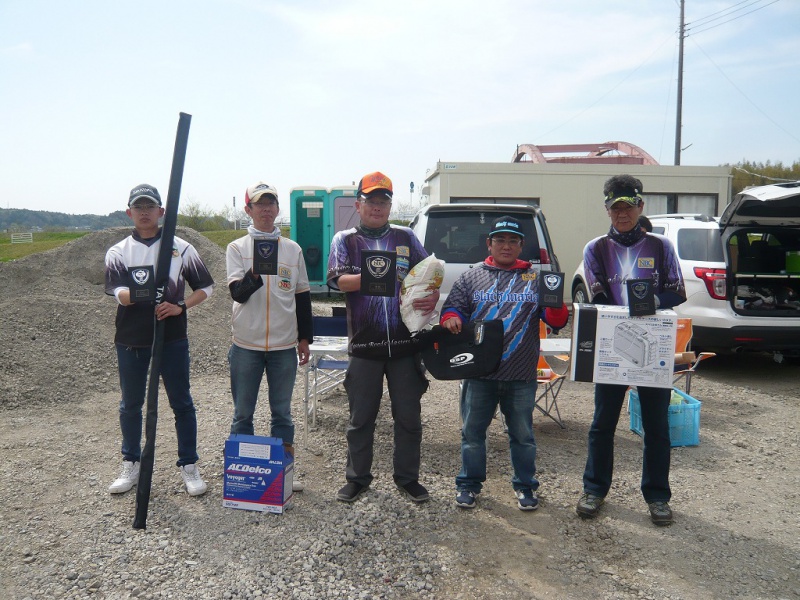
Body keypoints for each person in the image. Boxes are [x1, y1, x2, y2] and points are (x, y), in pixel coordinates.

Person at [576, 174, 686, 526]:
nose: (622, 214)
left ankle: (657, 497)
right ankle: (594, 489)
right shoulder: (596, 249)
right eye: (615, 208)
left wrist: (654, 300)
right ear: (607, 209)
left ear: (641, 206)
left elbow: (676, 291)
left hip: (653, 347)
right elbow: (600, 297)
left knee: (656, 426)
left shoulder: (661, 246)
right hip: (615, 347)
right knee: (602, 423)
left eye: (628, 206)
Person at [439, 216, 569, 511]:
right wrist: (451, 318)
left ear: (521, 246)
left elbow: (557, 321)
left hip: (520, 375)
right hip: (479, 373)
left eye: (513, 241)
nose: (506, 246)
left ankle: (525, 487)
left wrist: (557, 302)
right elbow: (452, 308)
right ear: (490, 244)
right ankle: (469, 485)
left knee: (522, 436)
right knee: (472, 434)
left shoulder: (537, 279)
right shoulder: (472, 277)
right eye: (500, 240)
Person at [327, 171, 439, 504]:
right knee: (360, 418)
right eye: (371, 201)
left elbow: (428, 276)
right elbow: (336, 281)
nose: (377, 207)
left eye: (383, 201)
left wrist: (431, 296)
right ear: (358, 205)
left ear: (390, 205)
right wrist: (376, 276)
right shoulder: (344, 240)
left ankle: (408, 478)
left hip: (405, 345)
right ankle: (357, 478)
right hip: (364, 344)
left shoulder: (406, 236)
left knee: (408, 417)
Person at [104, 183, 214, 496]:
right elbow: (116, 290)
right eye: (138, 207)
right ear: (129, 212)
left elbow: (206, 287)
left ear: (161, 211)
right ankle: (131, 462)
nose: (144, 212)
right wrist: (132, 297)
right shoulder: (118, 251)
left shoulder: (181, 247)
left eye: (149, 206)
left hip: (172, 337)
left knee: (181, 401)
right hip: (131, 337)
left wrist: (180, 306)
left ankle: (189, 464)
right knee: (131, 404)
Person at [226, 182, 312, 492]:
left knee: (282, 414)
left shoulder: (293, 249)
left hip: (283, 346)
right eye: (259, 204)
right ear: (248, 210)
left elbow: (302, 296)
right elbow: (237, 293)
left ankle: (284, 472)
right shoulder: (237, 248)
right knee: (242, 414)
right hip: (245, 346)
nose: (266, 209)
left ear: (277, 210)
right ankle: (242, 475)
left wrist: (305, 338)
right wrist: (258, 273)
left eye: (271, 203)